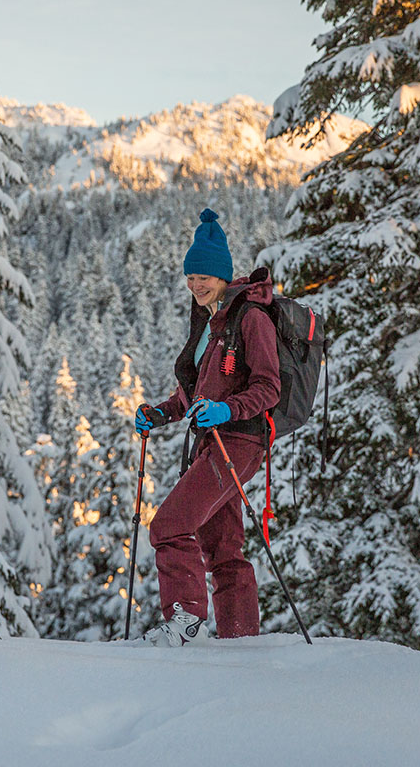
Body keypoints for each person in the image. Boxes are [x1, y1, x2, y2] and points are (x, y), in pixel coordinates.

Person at [135, 208, 280, 646]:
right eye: (191, 276)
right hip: (214, 443)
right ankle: (241, 640)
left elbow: (268, 387)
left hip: (238, 443)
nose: (197, 284)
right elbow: (197, 389)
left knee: (167, 527)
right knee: (222, 548)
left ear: (224, 275)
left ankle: (186, 623)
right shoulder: (210, 322)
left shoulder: (249, 317)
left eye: (206, 276)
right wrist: (162, 412)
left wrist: (227, 411)